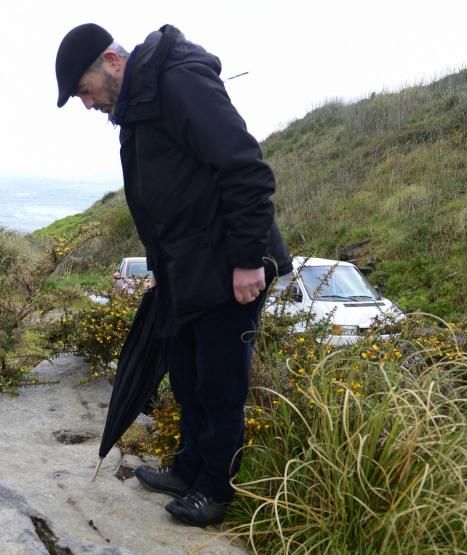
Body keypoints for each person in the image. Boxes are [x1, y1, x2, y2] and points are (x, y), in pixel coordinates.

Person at [55, 23, 292, 526]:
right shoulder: (137, 107)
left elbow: (245, 169)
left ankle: (215, 489)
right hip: (184, 269)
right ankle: (188, 468)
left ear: (111, 62)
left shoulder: (180, 81)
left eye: (83, 90)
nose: (87, 103)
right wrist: (161, 269)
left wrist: (249, 260)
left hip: (229, 264)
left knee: (220, 384)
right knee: (186, 376)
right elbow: (167, 198)